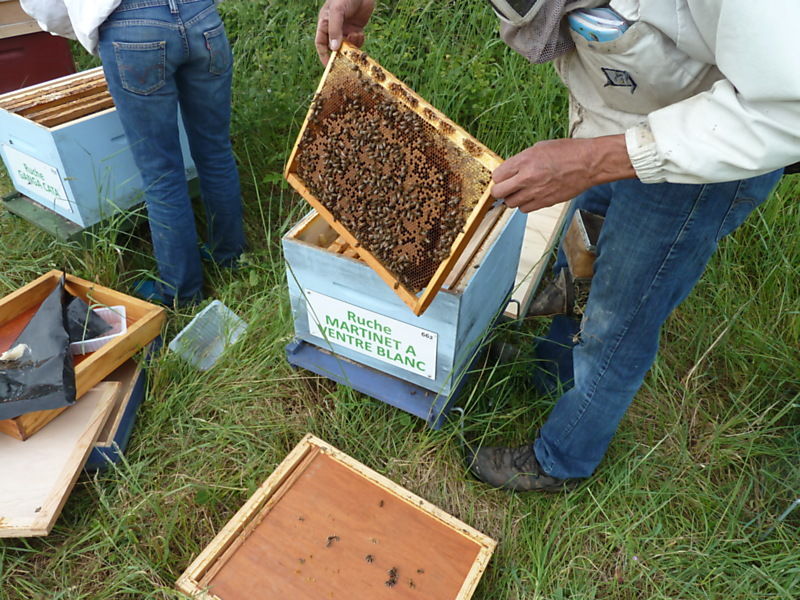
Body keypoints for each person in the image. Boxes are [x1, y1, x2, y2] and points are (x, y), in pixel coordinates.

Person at [315, 0, 800, 491]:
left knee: (619, 318)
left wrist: (595, 159)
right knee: (578, 255)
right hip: (619, 115)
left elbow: (786, 107)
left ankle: (563, 459)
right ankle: (552, 374)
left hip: (705, 150)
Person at [21, 0, 245, 307]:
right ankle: (232, 260)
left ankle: (183, 294)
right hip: (201, 15)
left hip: (130, 25)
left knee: (162, 175)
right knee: (216, 151)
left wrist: (86, 23)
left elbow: (44, 5)